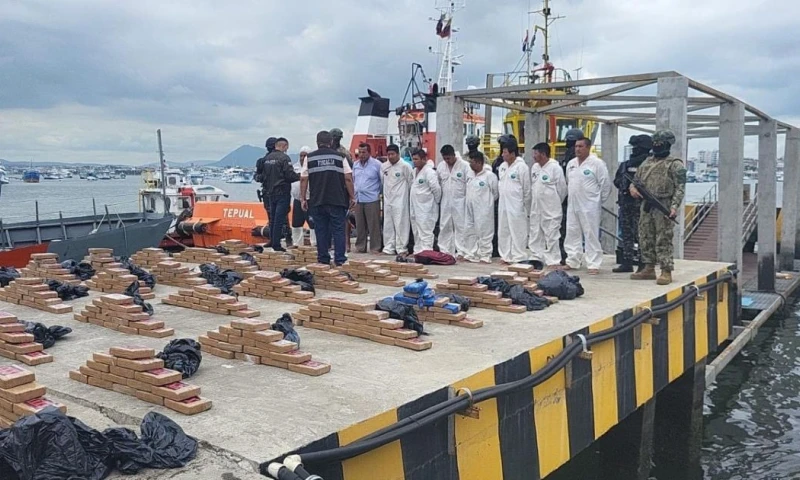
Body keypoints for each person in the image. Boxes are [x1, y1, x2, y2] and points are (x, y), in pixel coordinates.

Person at [630, 130, 686, 285]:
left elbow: (680, 188)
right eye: (654, 143)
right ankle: (648, 267)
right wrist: (633, 189)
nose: (656, 146)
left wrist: (674, 207)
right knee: (645, 235)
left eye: (659, 144)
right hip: (646, 205)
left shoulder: (675, 164)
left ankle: (666, 270)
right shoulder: (646, 162)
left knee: (663, 237)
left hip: (664, 203)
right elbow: (635, 181)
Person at [300, 131, 356, 266]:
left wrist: (303, 199)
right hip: (337, 200)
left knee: (321, 230)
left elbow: (303, 179)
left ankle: (323, 259)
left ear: (317, 142)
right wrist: (352, 197)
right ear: (331, 142)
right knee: (338, 230)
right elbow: (348, 178)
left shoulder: (310, 158)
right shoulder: (340, 157)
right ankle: (340, 259)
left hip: (317, 200)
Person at [564, 137, 611, 274]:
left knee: (591, 233)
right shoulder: (571, 164)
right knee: (572, 231)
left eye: (580, 146)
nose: (577, 149)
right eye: (576, 146)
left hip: (590, 205)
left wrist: (596, 201)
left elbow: (605, 185)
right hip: (573, 204)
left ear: (588, 147)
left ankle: (593, 263)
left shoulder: (597, 164)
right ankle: (573, 260)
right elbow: (568, 182)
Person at [612, 135, 653, 273]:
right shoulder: (625, 164)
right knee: (626, 233)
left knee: (641, 234)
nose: (634, 150)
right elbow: (617, 181)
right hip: (625, 204)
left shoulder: (649, 166)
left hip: (640, 206)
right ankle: (627, 261)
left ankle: (643, 263)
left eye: (637, 147)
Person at [528, 142, 567, 269]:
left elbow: (562, 189)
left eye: (536, 153)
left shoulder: (555, 168)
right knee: (535, 232)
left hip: (551, 208)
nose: (534, 156)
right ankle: (536, 257)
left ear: (543, 154)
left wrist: (554, 202)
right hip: (536, 207)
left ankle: (553, 260)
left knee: (552, 234)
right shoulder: (534, 168)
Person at [258, 137, 298, 251]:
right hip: (282, 192)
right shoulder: (284, 158)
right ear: (284, 146)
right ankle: (276, 244)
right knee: (280, 219)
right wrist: (300, 177)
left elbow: (261, 176)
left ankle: (273, 241)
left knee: (273, 218)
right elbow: (289, 175)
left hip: (270, 193)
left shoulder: (266, 159)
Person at [497, 141, 531, 264]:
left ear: (512, 153)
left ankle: (519, 256)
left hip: (517, 204)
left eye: (505, 152)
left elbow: (526, 189)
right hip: (503, 203)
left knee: (518, 230)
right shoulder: (502, 167)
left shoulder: (522, 167)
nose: (502, 155)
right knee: (504, 229)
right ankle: (506, 255)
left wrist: (524, 205)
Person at [464, 151, 498, 263]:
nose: (470, 164)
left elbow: (495, 193)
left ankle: (485, 254)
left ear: (479, 163)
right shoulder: (469, 174)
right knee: (470, 229)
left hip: (484, 208)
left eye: (472, 162)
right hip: (470, 207)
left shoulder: (489, 176)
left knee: (485, 231)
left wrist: (486, 204)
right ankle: (471, 253)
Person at [437, 144, 470, 257]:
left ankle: (461, 251)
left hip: (460, 201)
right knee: (445, 226)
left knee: (460, 226)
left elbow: (469, 184)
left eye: (449, 158)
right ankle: (445, 250)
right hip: (446, 201)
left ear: (454, 155)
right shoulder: (441, 166)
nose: (447, 160)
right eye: (445, 158)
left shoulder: (464, 166)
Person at [558, 128, 584, 264]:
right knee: (564, 229)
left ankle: (572, 256)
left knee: (575, 230)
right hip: (566, 200)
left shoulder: (582, 161)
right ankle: (566, 255)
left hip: (577, 201)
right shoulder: (566, 160)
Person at [381, 144, 413, 255]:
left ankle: (401, 248)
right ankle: (389, 247)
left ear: (398, 154)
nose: (390, 157)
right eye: (388, 154)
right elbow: (383, 182)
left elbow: (411, 182)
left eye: (392, 154)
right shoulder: (384, 166)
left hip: (400, 200)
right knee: (388, 224)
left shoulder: (405, 166)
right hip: (388, 199)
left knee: (401, 224)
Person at [409, 148, 441, 253]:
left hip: (426, 208)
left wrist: (434, 203)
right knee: (416, 231)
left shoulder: (429, 172)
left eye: (416, 159)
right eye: (413, 159)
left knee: (426, 231)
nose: (414, 161)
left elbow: (436, 190)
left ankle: (427, 252)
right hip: (415, 207)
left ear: (424, 159)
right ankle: (418, 252)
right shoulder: (414, 171)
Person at [353, 143, 383, 253]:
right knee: (360, 225)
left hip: (372, 199)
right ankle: (360, 246)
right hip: (358, 199)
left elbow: (382, 181)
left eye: (364, 152)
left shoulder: (377, 165)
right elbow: (353, 180)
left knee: (373, 225)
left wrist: (376, 193)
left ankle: (375, 247)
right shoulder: (355, 165)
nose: (361, 155)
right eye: (360, 152)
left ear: (369, 152)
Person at [290, 146, 315, 247]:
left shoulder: (312, 168)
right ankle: (296, 243)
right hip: (297, 199)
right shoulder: (294, 167)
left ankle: (315, 243)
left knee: (312, 223)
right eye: (301, 155)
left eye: (305, 155)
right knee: (296, 223)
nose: (303, 158)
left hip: (309, 199)